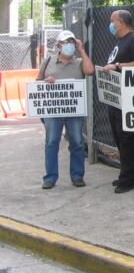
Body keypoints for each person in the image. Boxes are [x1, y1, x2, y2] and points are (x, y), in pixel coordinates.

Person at [36, 30, 95, 189]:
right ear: (58, 45)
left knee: (77, 142)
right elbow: (37, 83)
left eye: (72, 42)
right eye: (65, 42)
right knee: (51, 143)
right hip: (52, 111)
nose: (69, 45)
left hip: (73, 111)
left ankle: (77, 176)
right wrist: (46, 81)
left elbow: (90, 71)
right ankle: (50, 177)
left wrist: (82, 50)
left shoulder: (79, 62)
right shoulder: (48, 61)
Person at [102, 9, 134, 194]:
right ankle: (133, 173)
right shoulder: (120, 42)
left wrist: (117, 66)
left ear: (121, 22)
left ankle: (127, 179)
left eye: (112, 21)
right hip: (116, 98)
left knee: (127, 138)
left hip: (129, 98)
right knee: (120, 139)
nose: (111, 24)